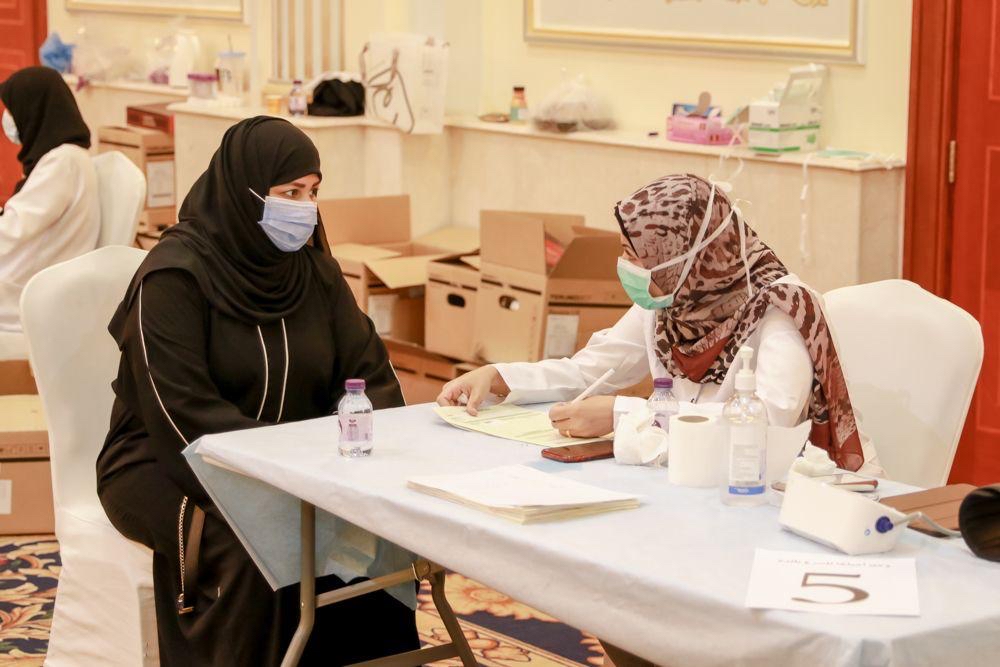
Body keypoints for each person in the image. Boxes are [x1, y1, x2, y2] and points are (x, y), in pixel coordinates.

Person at [96, 117, 418, 666]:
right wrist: (289, 472)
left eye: (313, 192)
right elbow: (182, 412)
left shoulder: (314, 273)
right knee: (254, 543)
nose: (305, 208)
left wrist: (353, 460)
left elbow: (370, 377)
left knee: (373, 528)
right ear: (243, 190)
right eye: (289, 193)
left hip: (297, 463)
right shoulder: (174, 278)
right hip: (167, 460)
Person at [438, 173, 881, 476]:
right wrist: (499, 377)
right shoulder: (671, 299)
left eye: (636, 256)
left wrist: (623, 414)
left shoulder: (782, 309)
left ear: (685, 257)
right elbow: (592, 371)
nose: (626, 266)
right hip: (688, 481)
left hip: (779, 493)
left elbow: (766, 425)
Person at [0, 66, 99, 336]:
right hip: (35, 277)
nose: (8, 118)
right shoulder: (59, 158)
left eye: (13, 109)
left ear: (34, 108)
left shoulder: (62, 162)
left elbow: (15, 229)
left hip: (35, 291)